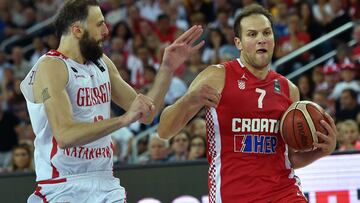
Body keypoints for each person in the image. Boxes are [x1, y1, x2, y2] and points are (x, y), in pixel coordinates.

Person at [20, 1, 204, 202]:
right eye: (99, 24)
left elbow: (146, 113)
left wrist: (167, 69)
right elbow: (65, 136)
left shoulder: (101, 62)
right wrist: (124, 120)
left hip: (105, 181)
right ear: (77, 30)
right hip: (62, 185)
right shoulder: (51, 67)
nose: (106, 31)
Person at [158, 4, 338, 202]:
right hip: (232, 195)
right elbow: (164, 131)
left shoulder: (289, 89)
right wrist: (188, 100)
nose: (261, 39)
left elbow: (289, 159)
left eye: (266, 33)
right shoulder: (217, 76)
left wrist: (321, 152)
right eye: (252, 34)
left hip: (283, 191)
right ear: (238, 43)